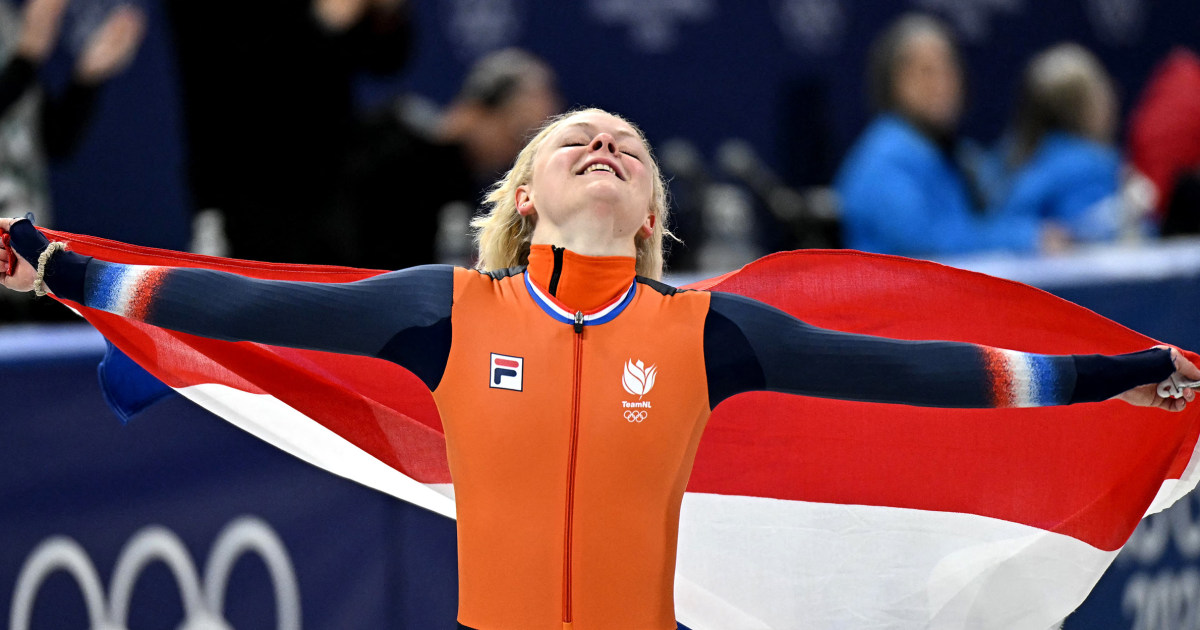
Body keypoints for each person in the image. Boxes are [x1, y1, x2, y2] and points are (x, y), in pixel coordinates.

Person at [2, 108, 1197, 630]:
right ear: (527, 199)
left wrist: (1106, 380)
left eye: (626, 145)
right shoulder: (447, 310)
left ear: (652, 218)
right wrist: (58, 263)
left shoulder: (710, 335)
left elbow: (918, 375)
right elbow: (245, 300)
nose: (605, 141)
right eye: (574, 137)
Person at [834, 14, 1053, 257]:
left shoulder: (952, 152)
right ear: (894, 82)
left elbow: (998, 208)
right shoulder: (886, 157)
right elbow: (925, 243)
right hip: (894, 294)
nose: (943, 84)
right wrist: (1024, 237)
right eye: (926, 72)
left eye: (950, 69)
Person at [337, 47, 561, 269]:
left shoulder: (478, 190)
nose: (516, 151)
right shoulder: (391, 144)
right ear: (476, 110)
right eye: (518, 132)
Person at [992, 43, 1135, 244]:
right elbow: (1105, 243)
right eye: (1100, 91)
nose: (1111, 100)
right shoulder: (1091, 166)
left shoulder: (1009, 161)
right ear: (1083, 108)